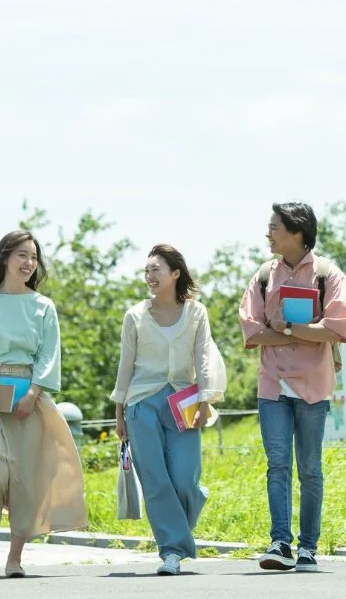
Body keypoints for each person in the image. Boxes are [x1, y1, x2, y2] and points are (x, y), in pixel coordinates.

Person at [0, 230, 87, 578]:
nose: (29, 263)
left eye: (33, 257)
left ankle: (15, 556)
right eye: (22, 255)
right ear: (4, 257)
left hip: (31, 398)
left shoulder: (43, 306)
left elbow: (49, 355)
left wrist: (33, 394)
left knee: (24, 479)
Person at [239, 202, 346, 572]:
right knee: (277, 465)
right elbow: (251, 330)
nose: (268, 233)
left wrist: (287, 329)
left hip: (313, 384)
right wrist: (305, 331)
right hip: (272, 385)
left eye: (274, 227)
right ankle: (280, 543)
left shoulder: (328, 274)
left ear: (297, 232)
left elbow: (339, 327)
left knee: (309, 468)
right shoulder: (262, 276)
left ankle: (308, 547)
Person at [111, 244, 227, 576]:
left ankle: (180, 522)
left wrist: (205, 400)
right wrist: (119, 413)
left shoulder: (196, 312)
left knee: (184, 479)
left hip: (184, 402)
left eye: (156, 270)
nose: (149, 276)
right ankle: (171, 551)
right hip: (140, 403)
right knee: (156, 480)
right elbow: (125, 365)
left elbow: (203, 357)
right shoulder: (134, 315)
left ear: (175, 273)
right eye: (146, 270)